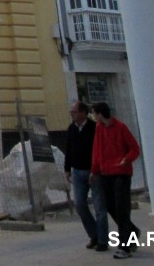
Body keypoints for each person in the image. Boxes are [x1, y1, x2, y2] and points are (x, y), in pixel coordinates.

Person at [90, 102, 141, 259]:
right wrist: (95, 170)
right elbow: (97, 149)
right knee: (110, 206)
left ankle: (124, 247)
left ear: (100, 114)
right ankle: (132, 231)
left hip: (121, 173)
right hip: (105, 173)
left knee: (122, 208)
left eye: (94, 113)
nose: (93, 116)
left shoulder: (121, 128)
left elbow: (135, 148)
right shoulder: (99, 128)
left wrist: (126, 159)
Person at [64, 101, 108, 251]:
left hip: (94, 172)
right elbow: (68, 148)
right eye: (71, 111)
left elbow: (101, 149)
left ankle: (102, 240)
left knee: (99, 207)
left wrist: (97, 169)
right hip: (77, 171)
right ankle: (93, 234)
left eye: (74, 111)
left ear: (83, 113)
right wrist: (67, 169)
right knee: (80, 204)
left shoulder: (95, 128)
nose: (72, 113)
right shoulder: (72, 128)